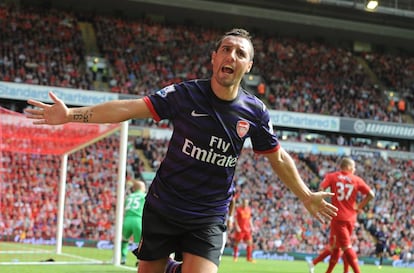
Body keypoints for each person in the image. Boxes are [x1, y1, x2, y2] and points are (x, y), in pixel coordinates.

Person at [26, 28, 337, 273]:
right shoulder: (183, 95)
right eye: (226, 49)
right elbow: (127, 108)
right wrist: (71, 115)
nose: (231, 55)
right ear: (214, 57)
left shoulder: (254, 112)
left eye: (240, 53)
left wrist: (305, 195)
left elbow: (278, 156)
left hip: (208, 215)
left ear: (248, 65)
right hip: (164, 207)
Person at [308, 157, 375, 273]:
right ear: (348, 167)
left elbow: (321, 188)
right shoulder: (356, 179)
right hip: (351, 218)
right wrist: (359, 206)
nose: (354, 170)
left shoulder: (332, 176)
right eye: (353, 167)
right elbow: (371, 194)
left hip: (338, 216)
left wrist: (322, 202)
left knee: (344, 247)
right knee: (338, 247)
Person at [121, 179, 146, 265]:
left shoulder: (129, 196)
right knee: (140, 242)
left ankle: (122, 258)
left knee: (124, 240)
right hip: (138, 220)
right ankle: (139, 260)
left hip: (127, 219)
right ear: (142, 188)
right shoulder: (144, 196)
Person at [232, 198, 255, 263]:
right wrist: (237, 226)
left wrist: (252, 226)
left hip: (247, 229)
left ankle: (249, 258)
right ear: (242, 202)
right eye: (244, 203)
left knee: (250, 243)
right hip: (240, 229)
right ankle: (235, 257)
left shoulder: (249, 209)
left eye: (247, 203)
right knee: (237, 243)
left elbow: (250, 219)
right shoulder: (239, 209)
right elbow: (235, 219)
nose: (245, 204)